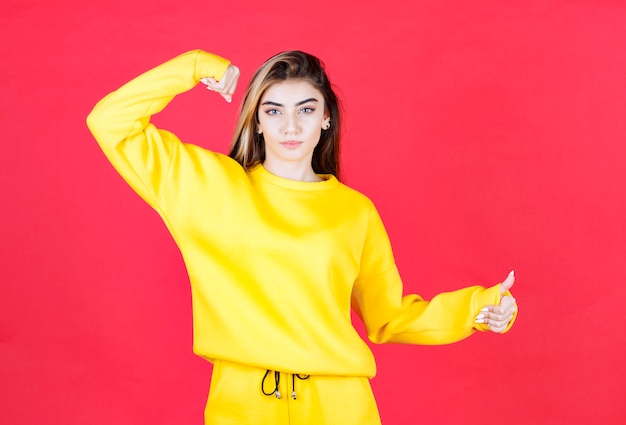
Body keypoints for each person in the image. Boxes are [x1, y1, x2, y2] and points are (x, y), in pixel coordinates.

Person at [86, 49, 518, 425]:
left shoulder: (354, 212)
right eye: (273, 110)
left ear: (326, 117)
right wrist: (194, 66)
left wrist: (478, 308)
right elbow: (109, 121)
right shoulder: (206, 187)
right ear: (255, 121)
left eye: (306, 109)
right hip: (242, 404)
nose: (290, 126)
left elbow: (389, 318)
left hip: (340, 405)